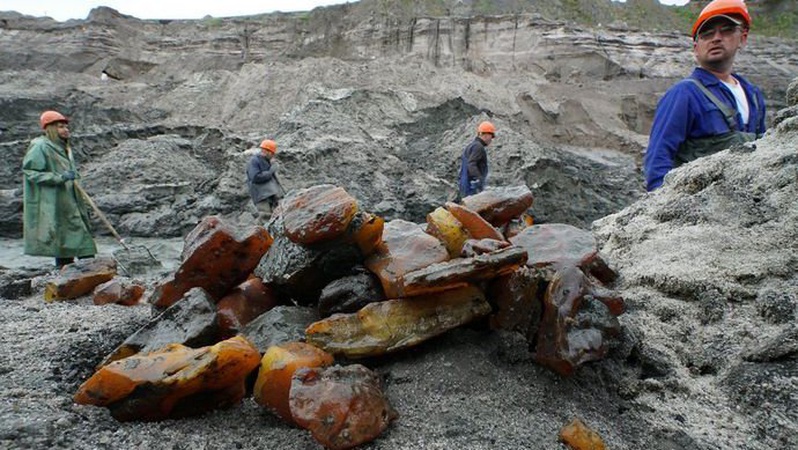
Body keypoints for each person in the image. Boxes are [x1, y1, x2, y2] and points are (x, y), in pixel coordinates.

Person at [643, 0, 766, 192]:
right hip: (697, 204)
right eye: (707, 34)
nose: (716, 38)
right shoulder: (684, 94)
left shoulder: (754, 96)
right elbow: (658, 157)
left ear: (742, 38)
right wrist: (659, 202)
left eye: (726, 30)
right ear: (696, 48)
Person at [22, 110, 97, 268]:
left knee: (80, 237)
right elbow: (31, 172)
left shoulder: (64, 147)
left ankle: (88, 272)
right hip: (55, 201)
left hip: (71, 199)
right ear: (50, 128)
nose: (66, 130)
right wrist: (59, 177)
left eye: (66, 126)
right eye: (60, 127)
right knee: (63, 239)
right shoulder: (40, 146)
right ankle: (68, 274)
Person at [246, 139, 284, 220]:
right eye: (272, 153)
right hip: (261, 196)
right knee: (265, 217)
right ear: (267, 151)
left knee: (276, 217)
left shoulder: (267, 161)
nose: (272, 155)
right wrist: (270, 171)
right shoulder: (254, 161)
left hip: (271, 195)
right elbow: (256, 177)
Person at [458, 120, 496, 198]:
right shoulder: (478, 147)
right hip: (471, 189)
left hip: (465, 186)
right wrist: (479, 179)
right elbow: (471, 164)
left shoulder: (471, 146)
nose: (491, 140)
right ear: (486, 135)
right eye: (491, 136)